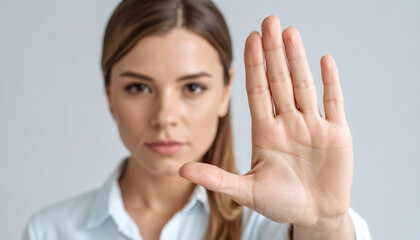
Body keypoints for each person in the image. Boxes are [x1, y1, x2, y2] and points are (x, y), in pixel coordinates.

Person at [22, 0, 371, 239]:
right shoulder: (51, 231)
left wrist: (325, 223)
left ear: (224, 91)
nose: (164, 117)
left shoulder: (269, 225)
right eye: (139, 88)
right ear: (109, 93)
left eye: (192, 87)